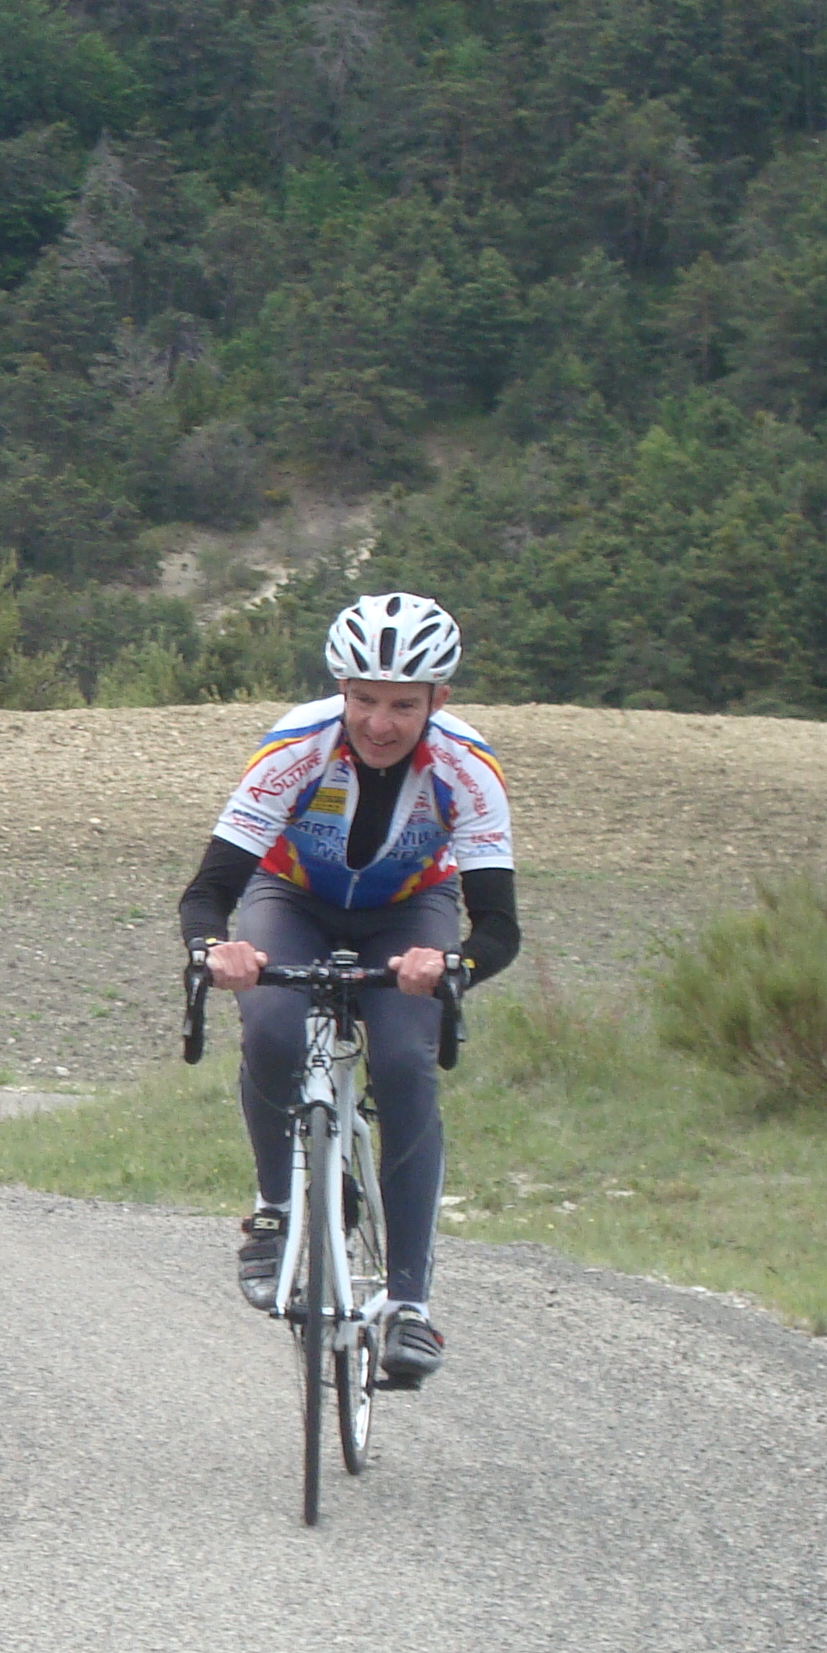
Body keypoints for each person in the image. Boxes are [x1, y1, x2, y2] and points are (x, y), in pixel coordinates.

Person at [175, 591, 520, 1385]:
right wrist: (215, 950)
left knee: (403, 1063)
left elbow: (499, 926)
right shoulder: (296, 747)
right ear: (341, 690)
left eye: (404, 705)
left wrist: (455, 966)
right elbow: (208, 892)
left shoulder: (468, 768)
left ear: (439, 700)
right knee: (271, 1027)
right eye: (363, 699)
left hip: (409, 910)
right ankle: (275, 1211)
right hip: (291, 896)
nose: (379, 723)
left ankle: (409, 1306)